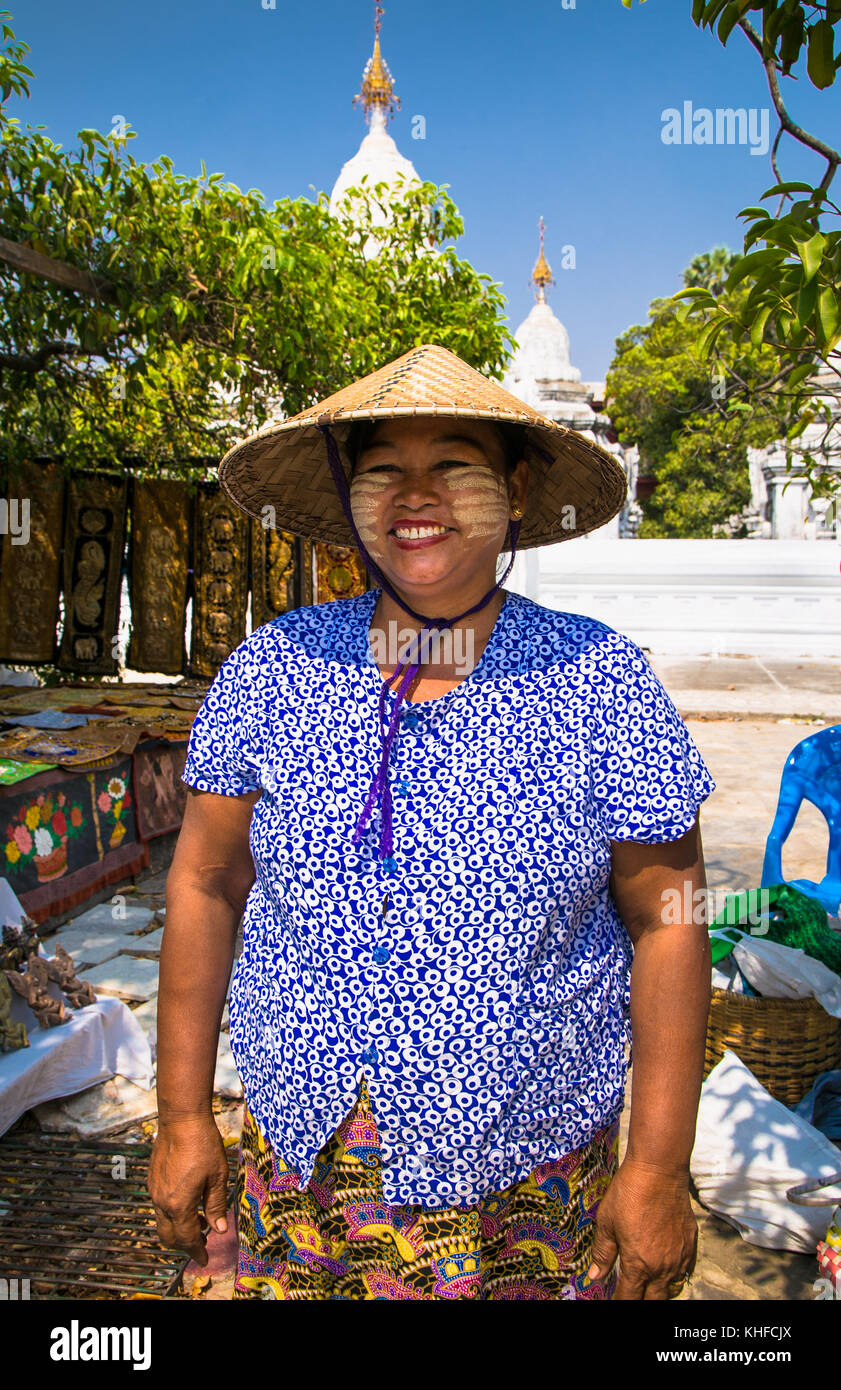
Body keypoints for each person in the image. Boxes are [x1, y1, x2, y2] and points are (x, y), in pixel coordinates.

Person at [149, 344, 715, 1301]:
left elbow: (672, 916)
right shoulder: (274, 670)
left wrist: (657, 1171)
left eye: (454, 466)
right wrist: (179, 1117)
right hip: (305, 1163)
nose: (418, 497)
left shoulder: (601, 684)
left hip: (522, 1168)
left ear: (518, 492)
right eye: (383, 473)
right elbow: (206, 884)